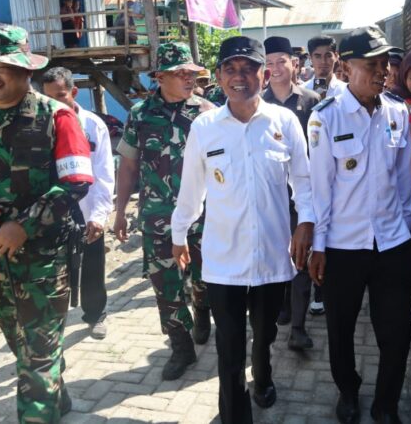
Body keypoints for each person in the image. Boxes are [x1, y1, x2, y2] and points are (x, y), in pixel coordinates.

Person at [0, 26, 93, 422]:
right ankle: (56, 397)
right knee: (22, 346)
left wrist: (24, 226)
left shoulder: (57, 117)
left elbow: (76, 182)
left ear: (26, 70)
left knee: (37, 356)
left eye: (1, 67)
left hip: (43, 261)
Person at [171, 36, 315, 424]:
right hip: (224, 259)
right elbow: (191, 190)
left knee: (265, 334)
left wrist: (306, 222)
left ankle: (263, 375)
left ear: (263, 75)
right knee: (230, 345)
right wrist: (178, 234)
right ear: (219, 77)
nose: (240, 77)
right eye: (231, 69)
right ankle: (235, 414)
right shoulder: (205, 127)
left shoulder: (284, 122)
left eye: (249, 69)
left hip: (271, 255)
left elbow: (303, 179)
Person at [308, 26, 411, 424]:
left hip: (391, 243)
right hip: (343, 246)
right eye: (371, 65)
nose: (382, 71)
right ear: (346, 67)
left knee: (398, 331)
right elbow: (320, 190)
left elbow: (404, 183)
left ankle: (386, 404)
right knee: (341, 329)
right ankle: (348, 390)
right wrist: (319, 246)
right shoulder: (326, 118)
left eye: (385, 63)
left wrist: (405, 232)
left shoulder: (397, 113)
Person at [114, 42, 214, 381]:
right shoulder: (140, 114)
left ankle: (202, 308)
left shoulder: (208, 112)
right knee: (165, 284)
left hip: (203, 217)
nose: (189, 78)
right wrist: (119, 211)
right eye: (180, 73)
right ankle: (180, 347)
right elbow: (128, 166)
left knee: (204, 277)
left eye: (191, 72)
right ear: (159, 77)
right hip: (158, 217)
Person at [42, 67, 114, 340]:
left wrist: (99, 215)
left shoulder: (94, 126)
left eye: (60, 96)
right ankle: (51, 324)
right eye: (48, 97)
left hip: (88, 209)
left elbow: (104, 174)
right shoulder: (38, 126)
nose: (54, 103)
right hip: (52, 210)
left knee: (93, 265)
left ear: (73, 92)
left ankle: (95, 315)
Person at [262, 36, 320, 350]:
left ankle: (298, 327)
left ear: (294, 63)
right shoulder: (258, 103)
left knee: (300, 256)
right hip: (270, 195)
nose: (275, 68)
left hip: (302, 194)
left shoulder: (311, 101)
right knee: (275, 253)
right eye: (268, 63)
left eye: (280, 61)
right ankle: (282, 305)